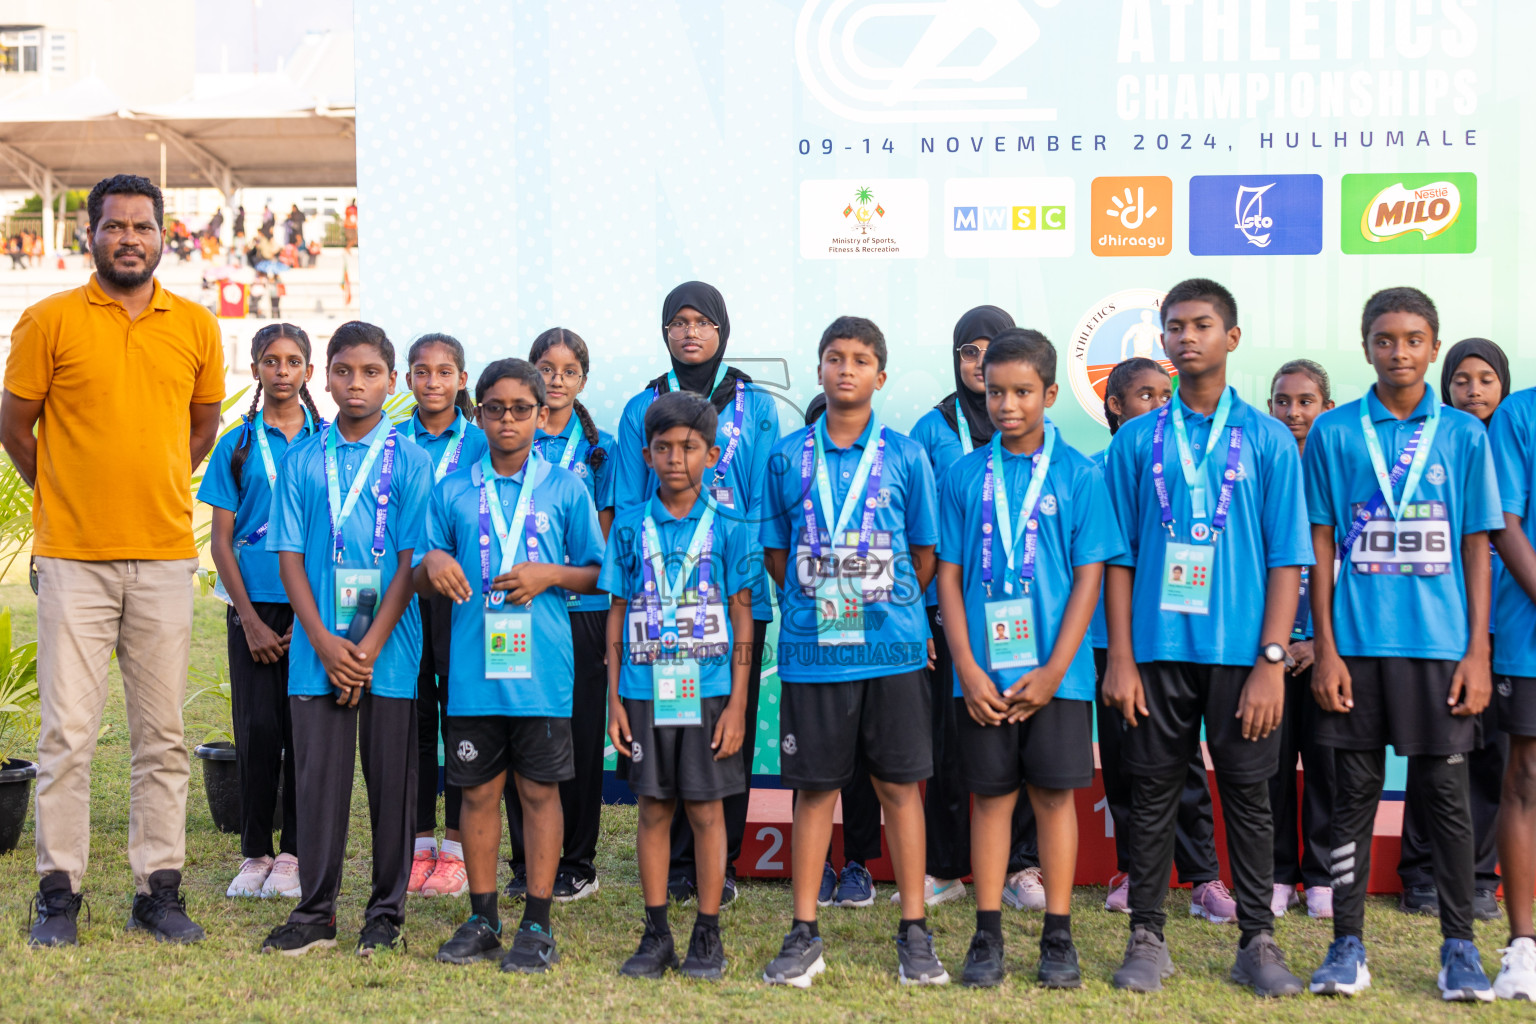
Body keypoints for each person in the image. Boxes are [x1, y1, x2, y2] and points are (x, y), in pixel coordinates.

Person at [7, 174, 223, 948]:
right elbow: (15, 422)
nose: (129, 237)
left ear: (164, 236)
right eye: (114, 226)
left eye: (143, 226)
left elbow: (201, 428)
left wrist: (156, 482)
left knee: (161, 735)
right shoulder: (48, 320)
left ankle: (157, 890)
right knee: (68, 734)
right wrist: (60, 490)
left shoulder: (195, 325)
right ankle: (58, 894)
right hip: (74, 560)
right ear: (89, 235)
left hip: (164, 557)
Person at [1102, 278, 1310, 997]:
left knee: (1251, 798)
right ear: (1160, 341)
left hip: (1242, 657)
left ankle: (1258, 942)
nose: (1186, 336)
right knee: (1154, 791)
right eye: (1174, 326)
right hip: (1157, 654)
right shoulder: (1134, 441)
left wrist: (1272, 663)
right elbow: (1119, 557)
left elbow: (1288, 558)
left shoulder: (1270, 439)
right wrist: (1121, 658)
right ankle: (1147, 937)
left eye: (1201, 324)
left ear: (1232, 338)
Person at [1304, 287, 1499, 1001]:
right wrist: (1324, 649)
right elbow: (1319, 545)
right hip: (1355, 649)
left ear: (1434, 346)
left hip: (1440, 649)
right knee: (1351, 801)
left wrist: (1476, 650)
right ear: (1366, 348)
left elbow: (1478, 545)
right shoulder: (1333, 432)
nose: (1399, 352)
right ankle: (1346, 945)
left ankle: (1459, 948)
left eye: (1414, 339)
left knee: (1447, 802)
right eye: (1385, 339)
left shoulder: (1463, 435)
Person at [759, 316, 946, 988]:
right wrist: (817, 605)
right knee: (814, 792)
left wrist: (886, 609)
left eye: (861, 360)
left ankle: (915, 932)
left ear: (880, 376)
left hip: (891, 651)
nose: (846, 369)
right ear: (818, 370)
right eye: (834, 358)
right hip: (814, 654)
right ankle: (804, 932)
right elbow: (777, 552)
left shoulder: (905, 456)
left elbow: (923, 552)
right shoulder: (785, 456)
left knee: (899, 788)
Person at [938, 328, 1121, 988]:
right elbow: (950, 578)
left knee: (1051, 799)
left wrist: (1052, 671)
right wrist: (966, 666)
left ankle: (1058, 936)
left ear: (1049, 394)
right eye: (994, 392)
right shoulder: (963, 475)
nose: (1006, 405)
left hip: (1058, 679)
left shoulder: (1079, 475)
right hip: (984, 677)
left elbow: (1089, 580)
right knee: (989, 800)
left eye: (1021, 392)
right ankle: (986, 936)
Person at [417, 358, 605, 974]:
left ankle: (537, 922)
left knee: (539, 792)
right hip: (473, 673)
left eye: (521, 409)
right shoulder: (451, 490)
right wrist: (434, 562)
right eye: (494, 408)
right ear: (479, 414)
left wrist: (550, 574)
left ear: (542, 416)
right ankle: (483, 917)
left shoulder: (565, 488)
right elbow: (425, 562)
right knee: (477, 794)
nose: (507, 419)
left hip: (543, 676)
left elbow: (598, 571)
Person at [260, 321, 433, 957]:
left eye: (370, 373)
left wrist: (366, 648)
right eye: (342, 372)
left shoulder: (411, 460)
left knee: (391, 788)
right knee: (317, 786)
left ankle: (385, 914)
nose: (355, 384)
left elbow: (412, 563)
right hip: (316, 652)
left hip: (388, 652)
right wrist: (326, 644)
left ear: (392, 382)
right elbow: (289, 562)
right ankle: (314, 913)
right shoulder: (305, 460)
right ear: (323, 377)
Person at [613, 282, 781, 906]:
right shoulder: (642, 407)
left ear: (722, 331)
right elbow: (630, 500)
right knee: (667, 722)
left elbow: (763, 497)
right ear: (665, 334)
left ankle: (721, 862)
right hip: (659, 590)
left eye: (702, 321)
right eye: (678, 322)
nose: (690, 332)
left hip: (730, 586)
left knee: (718, 730)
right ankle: (676, 865)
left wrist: (754, 575)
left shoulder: (755, 405)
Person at [603, 391, 755, 980]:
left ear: (711, 453)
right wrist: (614, 697)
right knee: (653, 809)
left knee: (708, 810)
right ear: (646, 454)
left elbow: (743, 616)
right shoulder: (630, 527)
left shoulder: (731, 528)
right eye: (663, 448)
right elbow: (616, 613)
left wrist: (739, 702)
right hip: (643, 692)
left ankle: (707, 934)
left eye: (688, 447)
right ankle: (657, 932)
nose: (674, 459)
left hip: (710, 690)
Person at [908, 305, 1039, 912]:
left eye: (992, 350)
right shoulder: (931, 432)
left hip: (1025, 616)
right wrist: (923, 614)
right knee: (951, 744)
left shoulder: (1038, 440)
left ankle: (1022, 866)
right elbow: (920, 536)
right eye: (969, 352)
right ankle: (946, 866)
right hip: (950, 615)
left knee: (1023, 737)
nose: (979, 363)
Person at [1093, 358, 1227, 919]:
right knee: (1128, 759)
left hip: (1181, 629)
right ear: (1116, 405)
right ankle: (1132, 869)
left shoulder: (1191, 460)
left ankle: (1202, 878)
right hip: (1115, 635)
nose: (1160, 405)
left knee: (1185, 759)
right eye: (1144, 395)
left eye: (1164, 394)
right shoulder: (1095, 467)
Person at [199, 324, 323, 901]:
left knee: (302, 731)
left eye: (293, 361)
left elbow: (333, 536)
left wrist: (310, 619)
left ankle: (295, 851)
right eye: (270, 361)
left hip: (311, 610)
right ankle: (255, 851)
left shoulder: (327, 442)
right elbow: (221, 541)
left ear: (308, 373)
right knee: (256, 731)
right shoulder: (237, 443)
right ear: (254, 370)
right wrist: (248, 619)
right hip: (251, 609)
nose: (281, 370)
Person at [1398, 337, 1512, 921]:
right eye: (1462, 379)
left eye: (1486, 379)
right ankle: (1420, 872)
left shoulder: (1513, 449)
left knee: (1493, 760)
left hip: (1502, 635)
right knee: (1434, 754)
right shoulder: (1434, 444)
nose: (1473, 390)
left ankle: (1479, 876)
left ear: (1504, 386)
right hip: (1442, 631)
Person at [505, 329, 615, 903]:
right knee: (521, 727)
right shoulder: (507, 435)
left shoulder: (602, 447)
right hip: (518, 606)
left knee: (576, 733)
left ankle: (578, 859)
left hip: (583, 608)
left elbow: (606, 535)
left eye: (569, 371)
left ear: (582, 380)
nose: (556, 380)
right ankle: (524, 858)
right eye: (545, 368)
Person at [402, 334, 489, 899]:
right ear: (407, 379)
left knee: (463, 720)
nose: (433, 382)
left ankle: (456, 849)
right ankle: (417, 846)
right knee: (412, 721)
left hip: (464, 599)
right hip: (405, 599)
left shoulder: (483, 441)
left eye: (444, 372)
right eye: (421, 371)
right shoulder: (389, 442)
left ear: (462, 380)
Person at [1265, 359, 1338, 922]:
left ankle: (1322, 876)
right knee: (1268, 768)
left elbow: (1357, 566)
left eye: (1306, 401)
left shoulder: (1342, 472)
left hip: (1326, 652)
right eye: (1283, 402)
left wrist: (1317, 643)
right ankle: (1276, 874)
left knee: (1328, 767)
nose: (1293, 412)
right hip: (1267, 654)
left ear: (1326, 409)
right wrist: (1275, 645)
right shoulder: (1258, 470)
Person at [1488, 363, 1536, 999]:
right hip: (1530, 630)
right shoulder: (1518, 413)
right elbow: (1504, 522)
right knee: (1526, 778)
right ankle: (1523, 945)